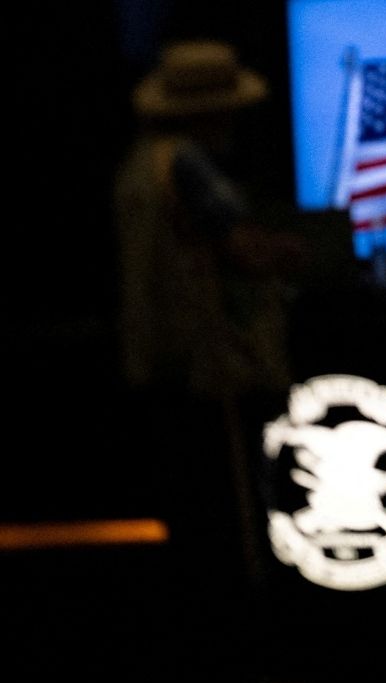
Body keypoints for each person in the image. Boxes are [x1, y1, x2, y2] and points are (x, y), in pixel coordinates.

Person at [114, 39, 301, 586]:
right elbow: (239, 249)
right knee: (235, 518)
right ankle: (249, 652)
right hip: (212, 363)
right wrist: (294, 252)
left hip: (161, 357)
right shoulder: (188, 164)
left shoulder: (136, 166)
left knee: (192, 513)